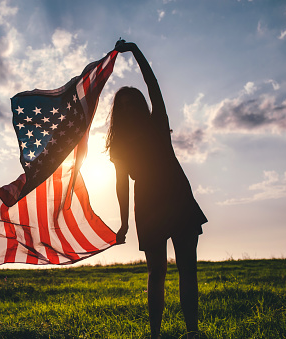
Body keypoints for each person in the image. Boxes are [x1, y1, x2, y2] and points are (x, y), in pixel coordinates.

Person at [108, 41, 208, 339]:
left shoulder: (158, 121)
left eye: (131, 103)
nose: (127, 108)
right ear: (118, 112)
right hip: (148, 204)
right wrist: (124, 222)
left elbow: (152, 83)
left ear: (141, 105)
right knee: (157, 273)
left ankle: (192, 333)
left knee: (187, 269)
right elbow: (121, 183)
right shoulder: (119, 144)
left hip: (177, 196)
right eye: (121, 105)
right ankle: (155, 335)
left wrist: (136, 51)